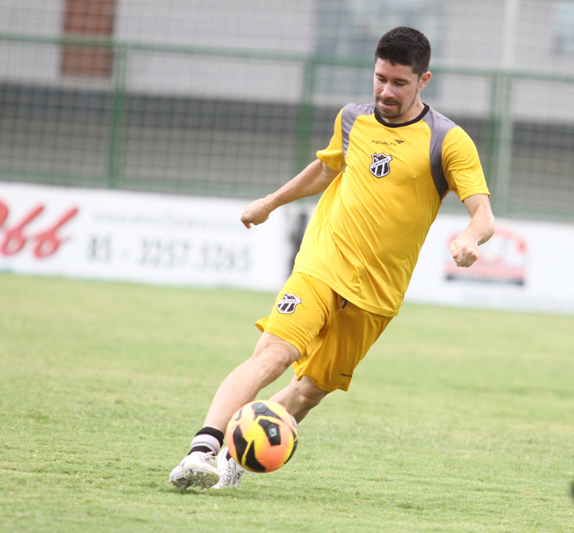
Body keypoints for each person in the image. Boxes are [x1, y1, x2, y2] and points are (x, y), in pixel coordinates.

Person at [168, 26, 495, 490]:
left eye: (400, 83)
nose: (386, 90)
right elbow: (326, 168)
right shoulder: (352, 119)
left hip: (377, 294)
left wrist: (470, 238)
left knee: (309, 390)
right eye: (381, 78)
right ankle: (202, 449)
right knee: (274, 354)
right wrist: (270, 202)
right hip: (322, 263)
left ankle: (238, 453)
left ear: (423, 81)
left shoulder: (448, 140)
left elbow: (483, 214)